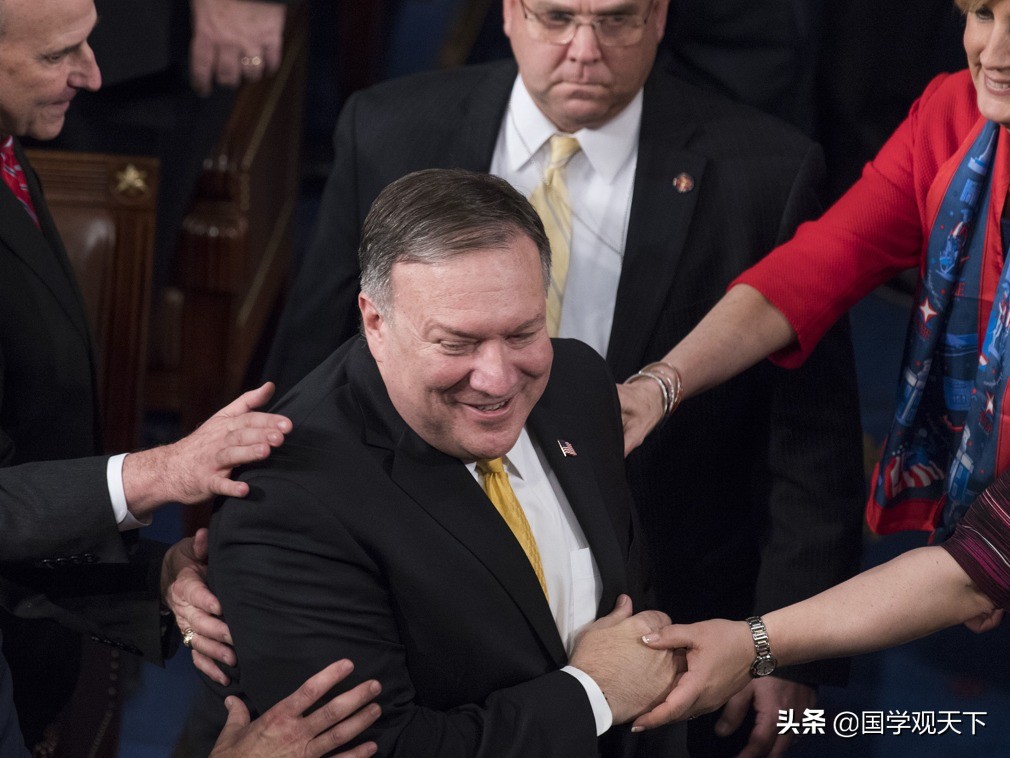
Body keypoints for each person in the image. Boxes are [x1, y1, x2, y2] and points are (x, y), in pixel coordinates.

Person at [262, 1, 865, 753]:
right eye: (556, 17)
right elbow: (315, 352)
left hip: (675, 600)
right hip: (426, 593)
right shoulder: (389, 128)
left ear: (659, 17)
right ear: (509, 13)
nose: (584, 49)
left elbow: (811, 432)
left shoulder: (766, 171)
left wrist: (785, 642)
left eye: (615, 20)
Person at [610, 0, 1010, 730]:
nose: (995, 52)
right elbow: (818, 265)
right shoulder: (954, 112)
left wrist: (756, 644)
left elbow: (980, 565)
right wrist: (658, 386)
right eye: (983, 13)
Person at [198, 169, 683, 757]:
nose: (498, 379)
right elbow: (384, 749)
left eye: (523, 333)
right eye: (457, 344)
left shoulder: (577, 382)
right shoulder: (286, 503)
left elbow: (634, 623)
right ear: (375, 322)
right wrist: (591, 696)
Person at [0, 0, 377, 753]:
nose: (94, 75)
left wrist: (154, 575)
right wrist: (162, 471)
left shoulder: (13, 152)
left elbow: (29, 453)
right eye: (58, 55)